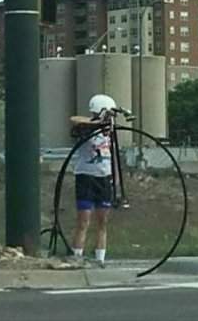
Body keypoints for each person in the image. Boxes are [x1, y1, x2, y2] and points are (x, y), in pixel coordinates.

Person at [69, 94, 116, 267]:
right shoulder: (86, 129)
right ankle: (77, 256)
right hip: (86, 177)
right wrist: (97, 123)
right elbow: (74, 120)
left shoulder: (110, 133)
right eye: (108, 114)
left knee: (102, 221)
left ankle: (100, 259)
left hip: (103, 178)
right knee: (84, 220)